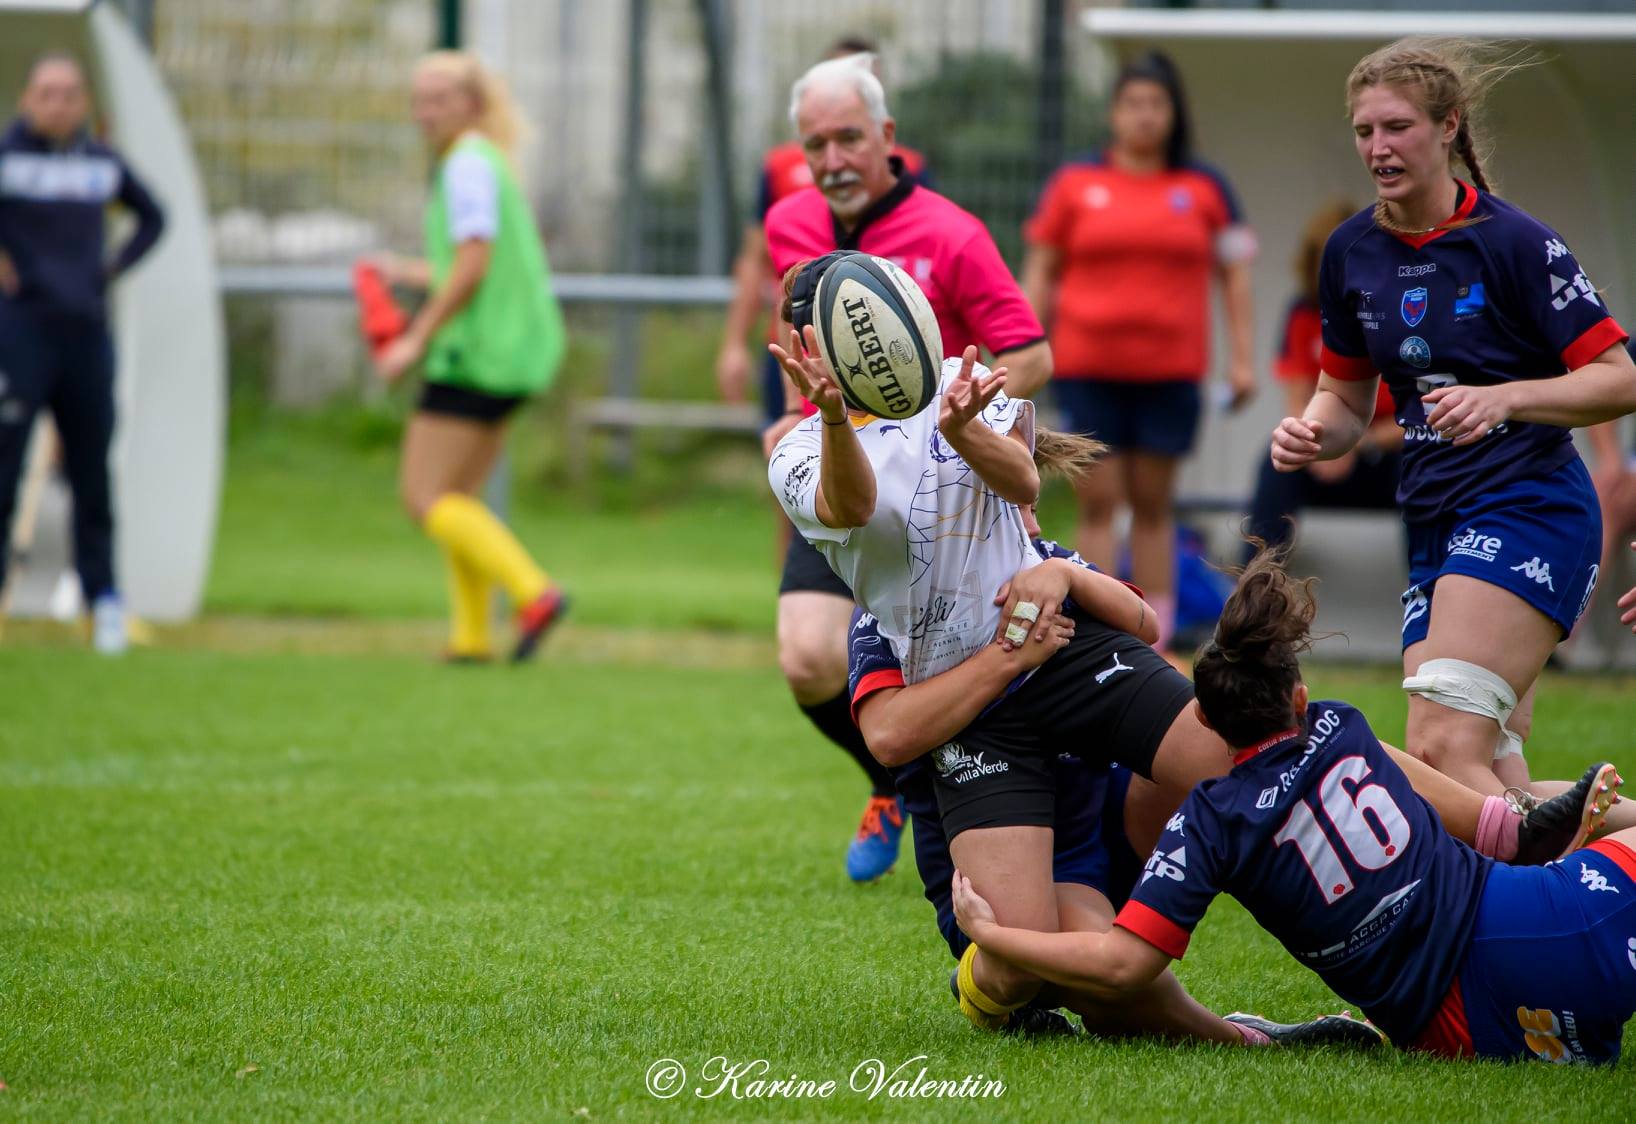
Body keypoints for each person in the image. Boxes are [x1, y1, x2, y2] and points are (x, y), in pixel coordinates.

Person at [951, 549, 1633, 1063]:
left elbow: (1122, 966)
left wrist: (994, 932)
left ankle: (1525, 835)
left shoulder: (1206, 822)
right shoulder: (1343, 726)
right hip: (1528, 927)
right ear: (1298, 698)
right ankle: (1525, 829)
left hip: (1455, 1030)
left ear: (1207, 728)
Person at [1268, 39, 1636, 802]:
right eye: (1364, 131)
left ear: (1448, 127)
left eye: (1397, 127)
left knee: (1437, 746)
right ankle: (1560, 898)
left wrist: (1507, 397)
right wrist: (1308, 431)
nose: (1378, 147)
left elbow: (1618, 379)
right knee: (1486, 778)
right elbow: (1343, 400)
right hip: (1433, 517)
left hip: (1529, 506)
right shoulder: (1349, 253)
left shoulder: (1516, 243)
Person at [760, 52, 1051, 884]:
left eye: (849, 138)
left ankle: (993, 810)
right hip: (847, 481)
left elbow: (1030, 355)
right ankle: (892, 783)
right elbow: (801, 361)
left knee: (986, 664)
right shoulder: (791, 225)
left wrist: (948, 416)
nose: (832, 160)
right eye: (815, 144)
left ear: (887, 136)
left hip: (945, 493)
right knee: (806, 658)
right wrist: (794, 419)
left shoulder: (951, 233)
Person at [1021, 50, 1256, 652]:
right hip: (1087, 369)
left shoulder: (1205, 188)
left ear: (1173, 113)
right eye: (1133, 104)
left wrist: (1244, 359)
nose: (1145, 116)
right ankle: (1098, 628)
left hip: (1169, 374)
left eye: (1157, 104)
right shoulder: (1076, 184)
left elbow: (1235, 278)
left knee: (1154, 505)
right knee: (1099, 503)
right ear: (1114, 112)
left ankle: (1156, 636)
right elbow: (1041, 270)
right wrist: (1021, 344)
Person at [366, 51, 568, 663]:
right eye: (418, 99)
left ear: (473, 104)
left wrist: (413, 339)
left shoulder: (464, 167)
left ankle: (534, 593)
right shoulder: (485, 162)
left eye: (439, 99)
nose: (423, 112)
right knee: (459, 496)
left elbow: (474, 266)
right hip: (515, 354)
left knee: (424, 496)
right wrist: (409, 270)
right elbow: (471, 262)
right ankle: (471, 637)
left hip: (478, 354)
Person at [0, 53, 164, 654]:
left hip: (86, 337)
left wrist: (110, 269)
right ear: (27, 98)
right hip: (20, 335)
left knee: (92, 475)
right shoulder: (8, 158)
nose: (58, 103)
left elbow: (155, 217)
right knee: (5, 470)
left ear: (85, 102)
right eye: (47, 92)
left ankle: (103, 604)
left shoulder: (100, 164)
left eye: (70, 93)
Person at [714, 37, 929, 424]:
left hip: (881, 350)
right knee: (794, 469)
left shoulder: (909, 168)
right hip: (795, 348)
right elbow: (753, 258)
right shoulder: (780, 168)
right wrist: (734, 345)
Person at [1243, 200, 1400, 563]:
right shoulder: (1303, 313)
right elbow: (1297, 396)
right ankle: (1252, 585)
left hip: (1385, 452)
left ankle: (1431, 592)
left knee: (1423, 467)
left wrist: (1359, 444)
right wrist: (1314, 446)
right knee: (1276, 462)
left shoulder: (1400, 310)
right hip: (1325, 450)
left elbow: (1421, 415)